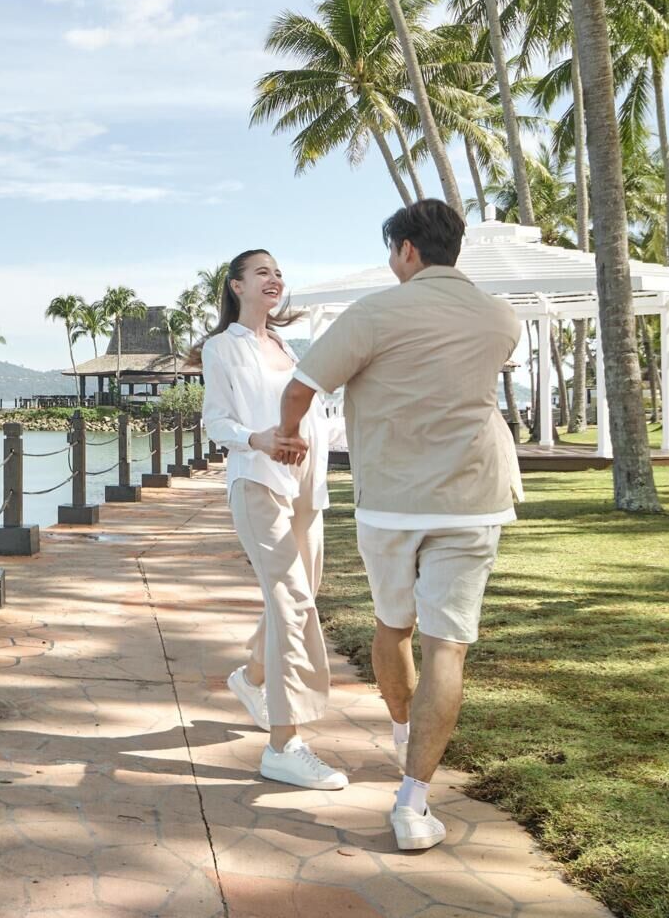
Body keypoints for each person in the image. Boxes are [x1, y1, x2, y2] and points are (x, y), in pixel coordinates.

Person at [267, 199, 522, 853]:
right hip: (472, 497)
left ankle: (406, 732)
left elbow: (299, 389)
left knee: (393, 626)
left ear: (407, 249)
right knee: (448, 647)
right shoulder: (501, 317)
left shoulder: (373, 313)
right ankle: (413, 801)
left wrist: (289, 436)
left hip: (391, 501)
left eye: (391, 250)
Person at [197, 248, 348, 792]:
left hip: (308, 482)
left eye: (278, 272)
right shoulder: (222, 347)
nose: (274, 278)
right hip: (258, 480)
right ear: (236, 286)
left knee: (303, 591)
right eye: (262, 271)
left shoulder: (287, 346)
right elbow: (216, 420)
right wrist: (256, 438)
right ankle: (284, 745)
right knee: (291, 602)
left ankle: (252, 676)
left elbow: (319, 418)